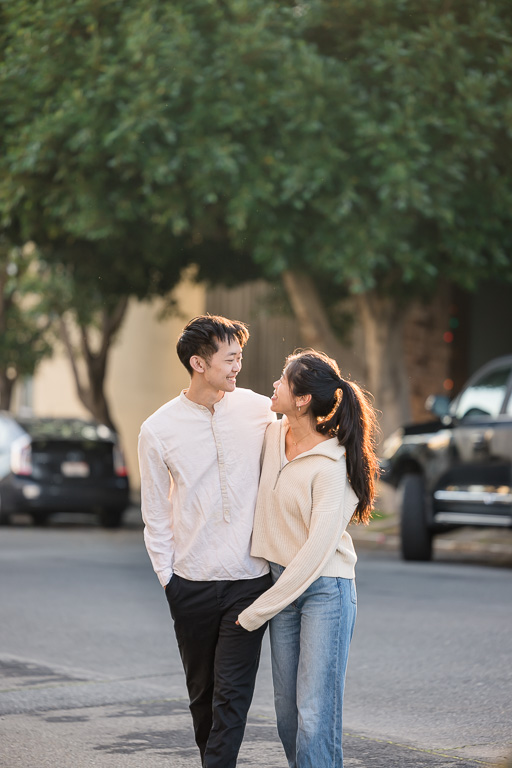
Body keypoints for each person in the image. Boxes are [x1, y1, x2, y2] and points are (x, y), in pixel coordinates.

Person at [138, 314, 275, 768]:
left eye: (240, 356)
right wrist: (168, 579)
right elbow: (155, 512)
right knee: (203, 696)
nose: (238, 366)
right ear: (199, 363)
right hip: (191, 583)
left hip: (248, 581)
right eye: (230, 358)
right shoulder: (158, 429)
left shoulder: (258, 408)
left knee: (232, 696)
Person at [237, 349, 379, 768]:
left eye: (283, 379)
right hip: (284, 585)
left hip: (325, 591)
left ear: (302, 399)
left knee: (315, 715)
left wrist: (255, 612)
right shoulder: (271, 435)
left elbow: (317, 551)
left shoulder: (333, 466)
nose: (274, 385)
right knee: (287, 715)